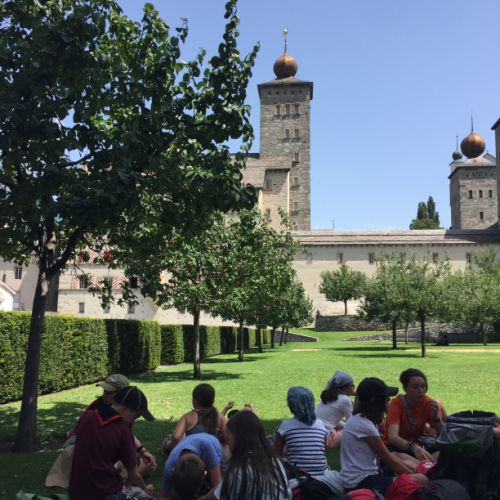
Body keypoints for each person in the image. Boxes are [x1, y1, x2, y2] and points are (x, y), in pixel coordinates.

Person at [45, 374, 156, 489]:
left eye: (109, 392)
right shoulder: (96, 412)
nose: (104, 395)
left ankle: (118, 479)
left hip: (92, 473)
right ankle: (119, 482)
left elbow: (126, 434)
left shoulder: (116, 417)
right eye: (104, 391)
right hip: (83, 452)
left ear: (121, 394)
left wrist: (142, 450)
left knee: (142, 465)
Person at [340, 377, 428, 493]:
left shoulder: (362, 419)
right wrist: (413, 475)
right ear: (374, 400)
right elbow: (389, 460)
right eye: (386, 398)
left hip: (367, 476)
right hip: (360, 483)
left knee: (407, 461)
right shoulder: (364, 425)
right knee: (422, 479)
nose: (389, 400)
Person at [69, 385, 156, 500]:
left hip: (77, 492)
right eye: (135, 417)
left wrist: (142, 450)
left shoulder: (88, 415)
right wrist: (145, 489)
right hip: (105, 493)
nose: (133, 422)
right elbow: (134, 476)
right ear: (126, 409)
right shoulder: (123, 430)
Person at [274, 386, 344, 497]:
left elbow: (275, 454)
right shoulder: (320, 424)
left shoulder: (285, 426)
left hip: (298, 475)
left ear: (291, 405)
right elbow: (321, 449)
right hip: (323, 474)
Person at [208, 410, 291, 500]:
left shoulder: (241, 471)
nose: (228, 444)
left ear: (239, 439)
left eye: (229, 439)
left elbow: (218, 495)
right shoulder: (275, 460)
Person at [385, 368, 446, 462]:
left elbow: (443, 439)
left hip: (418, 446)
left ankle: (424, 465)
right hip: (398, 447)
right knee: (404, 459)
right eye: (415, 387)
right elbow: (393, 437)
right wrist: (414, 448)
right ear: (405, 389)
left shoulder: (428, 403)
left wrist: (437, 419)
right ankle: (424, 465)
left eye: (423, 386)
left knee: (447, 452)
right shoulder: (396, 404)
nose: (420, 390)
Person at [159, 432, 223, 500]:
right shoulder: (169, 467)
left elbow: (218, 490)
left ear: (204, 473)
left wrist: (203, 498)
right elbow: (163, 496)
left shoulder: (208, 448)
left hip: (212, 443)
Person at [165, 384, 226, 452]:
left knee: (167, 443)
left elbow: (176, 437)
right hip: (214, 455)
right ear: (212, 400)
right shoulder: (219, 416)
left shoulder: (188, 417)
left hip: (193, 453)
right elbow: (228, 437)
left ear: (195, 400)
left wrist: (175, 450)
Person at [315, 370, 355, 448]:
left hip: (315, 433)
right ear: (344, 387)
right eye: (352, 385)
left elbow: (332, 419)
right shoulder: (345, 400)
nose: (354, 387)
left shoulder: (328, 396)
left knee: (340, 424)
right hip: (324, 439)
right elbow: (354, 423)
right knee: (354, 433)